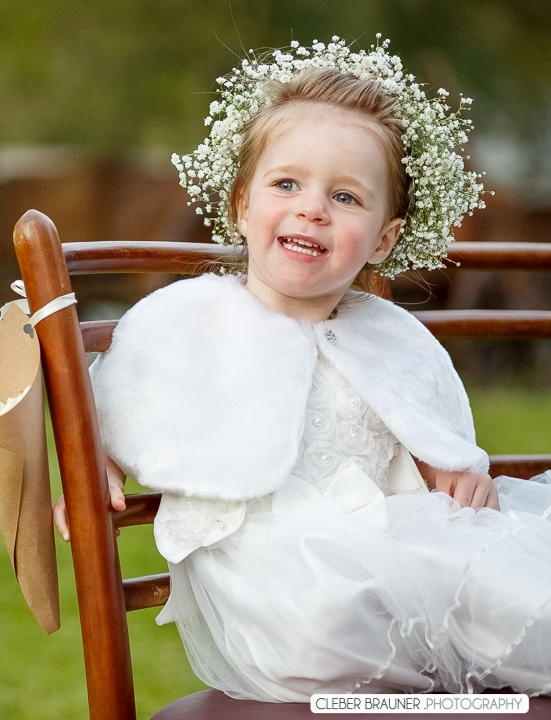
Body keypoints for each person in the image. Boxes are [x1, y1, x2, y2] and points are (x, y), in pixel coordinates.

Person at [54, 38, 551, 700]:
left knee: (519, 590)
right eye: (286, 184)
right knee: (330, 616)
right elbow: (117, 409)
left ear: (383, 238)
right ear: (241, 205)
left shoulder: (391, 335)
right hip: (269, 567)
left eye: (346, 197)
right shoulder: (183, 320)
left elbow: (428, 426)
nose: (313, 207)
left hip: (394, 533)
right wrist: (95, 467)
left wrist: (454, 470)